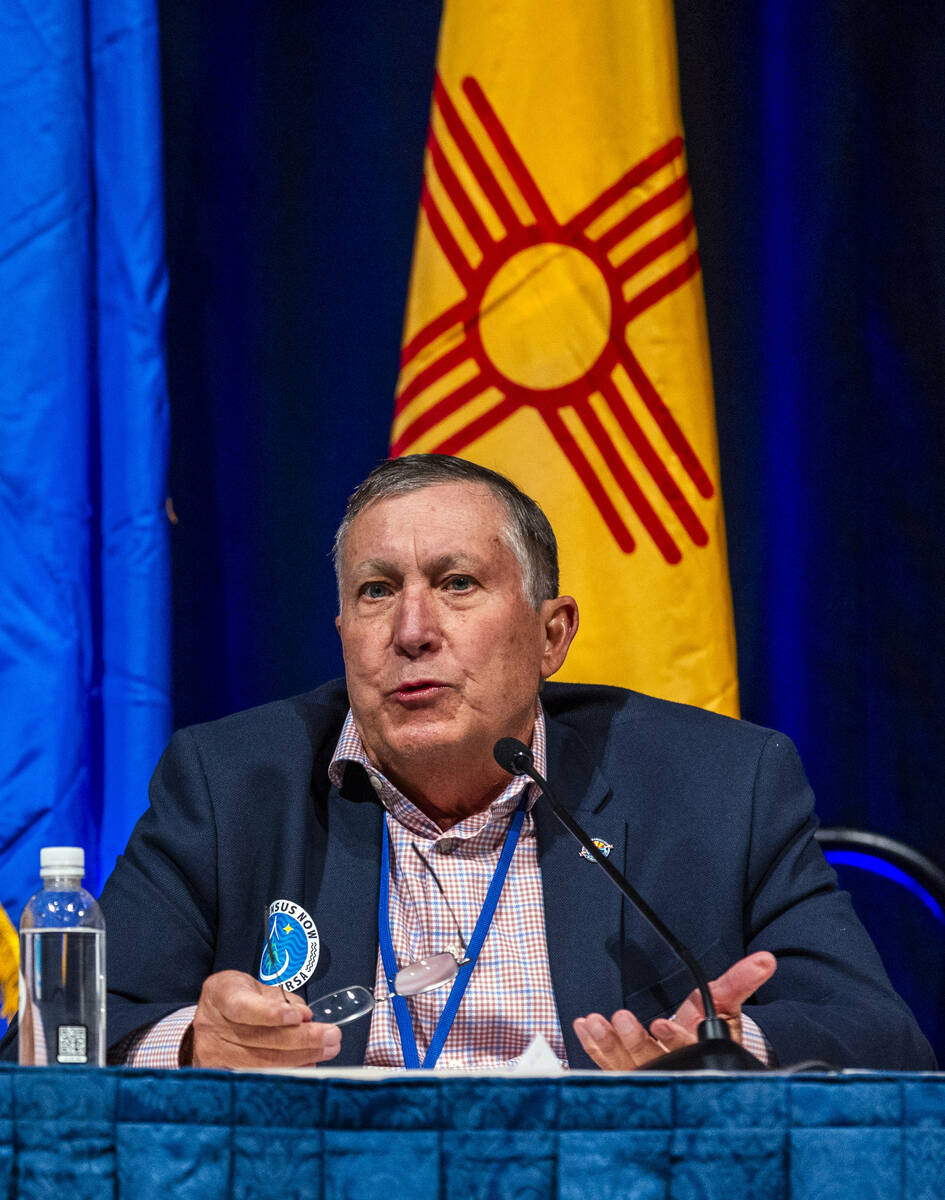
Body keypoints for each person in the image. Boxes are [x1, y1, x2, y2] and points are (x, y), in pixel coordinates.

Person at [4, 454, 933, 1071]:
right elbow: (48, 1045)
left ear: (551, 635)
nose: (411, 631)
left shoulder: (719, 785)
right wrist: (192, 1044)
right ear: (343, 631)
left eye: (456, 584)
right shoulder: (228, 783)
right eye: (376, 592)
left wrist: (724, 1052)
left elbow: (881, 1039)